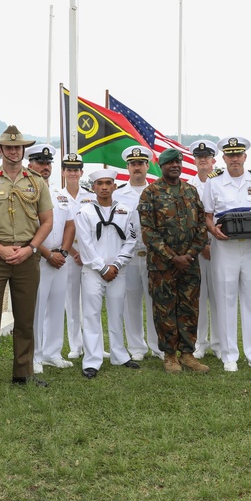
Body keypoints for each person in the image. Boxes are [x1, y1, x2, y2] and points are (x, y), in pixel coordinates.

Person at [0, 125, 53, 402]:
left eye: (18, 147)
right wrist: (0, 249)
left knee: (26, 319)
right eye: (9, 147)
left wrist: (31, 249)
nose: (14, 151)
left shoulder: (37, 181)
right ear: (0, 150)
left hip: (27, 257)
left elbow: (47, 221)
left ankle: (23, 373)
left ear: (23, 150)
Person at [138, 148, 210, 373]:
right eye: (170, 163)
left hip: (189, 263)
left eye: (178, 162)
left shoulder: (191, 191)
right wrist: (172, 256)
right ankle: (169, 356)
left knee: (189, 308)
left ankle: (188, 354)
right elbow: (148, 232)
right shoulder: (150, 192)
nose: (175, 166)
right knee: (165, 309)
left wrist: (189, 255)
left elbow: (201, 226)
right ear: (162, 166)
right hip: (163, 265)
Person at [203, 136, 251, 372]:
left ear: (244, 157)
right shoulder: (214, 182)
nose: (234, 158)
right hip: (225, 248)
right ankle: (229, 355)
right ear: (223, 158)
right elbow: (207, 215)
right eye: (230, 155)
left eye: (238, 154)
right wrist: (213, 232)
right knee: (225, 300)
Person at [75, 169, 142, 379]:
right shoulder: (84, 212)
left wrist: (118, 263)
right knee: (91, 315)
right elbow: (85, 244)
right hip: (93, 271)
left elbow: (131, 240)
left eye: (108, 183)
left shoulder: (125, 210)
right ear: (93, 187)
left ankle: (119, 355)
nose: (104, 187)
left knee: (116, 312)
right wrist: (102, 267)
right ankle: (92, 360)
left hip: (118, 270)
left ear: (114, 186)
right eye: (100, 183)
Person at [26, 144, 76, 374]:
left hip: (60, 258)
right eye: (40, 162)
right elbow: (26, 230)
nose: (45, 167)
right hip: (38, 258)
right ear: (30, 165)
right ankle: (34, 356)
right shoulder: (25, 193)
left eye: (48, 164)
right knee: (36, 308)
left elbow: (69, 224)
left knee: (57, 307)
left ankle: (52, 352)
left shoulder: (60, 194)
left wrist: (64, 252)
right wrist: (48, 254)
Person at [114, 146, 162, 361]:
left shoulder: (157, 192)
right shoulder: (117, 194)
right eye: (133, 164)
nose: (137, 167)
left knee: (156, 302)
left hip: (153, 255)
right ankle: (136, 347)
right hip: (129, 256)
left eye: (141, 163)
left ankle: (157, 346)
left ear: (147, 166)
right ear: (128, 167)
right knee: (131, 302)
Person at [187, 139, 219, 359]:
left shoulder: (221, 182)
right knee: (198, 297)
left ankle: (218, 343)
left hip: (221, 245)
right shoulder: (188, 186)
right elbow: (188, 220)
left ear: (213, 160)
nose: (203, 161)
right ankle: (200, 342)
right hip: (197, 249)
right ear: (195, 161)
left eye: (206, 157)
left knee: (218, 297)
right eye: (199, 158)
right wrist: (201, 245)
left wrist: (211, 242)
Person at [57, 152, 89, 359]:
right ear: (63, 172)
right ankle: (75, 345)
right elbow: (57, 228)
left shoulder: (91, 196)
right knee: (71, 302)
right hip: (69, 255)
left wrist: (85, 253)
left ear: (81, 172)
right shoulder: (56, 196)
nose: (72, 173)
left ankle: (91, 344)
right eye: (69, 169)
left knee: (90, 302)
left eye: (76, 170)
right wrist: (73, 252)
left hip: (88, 257)